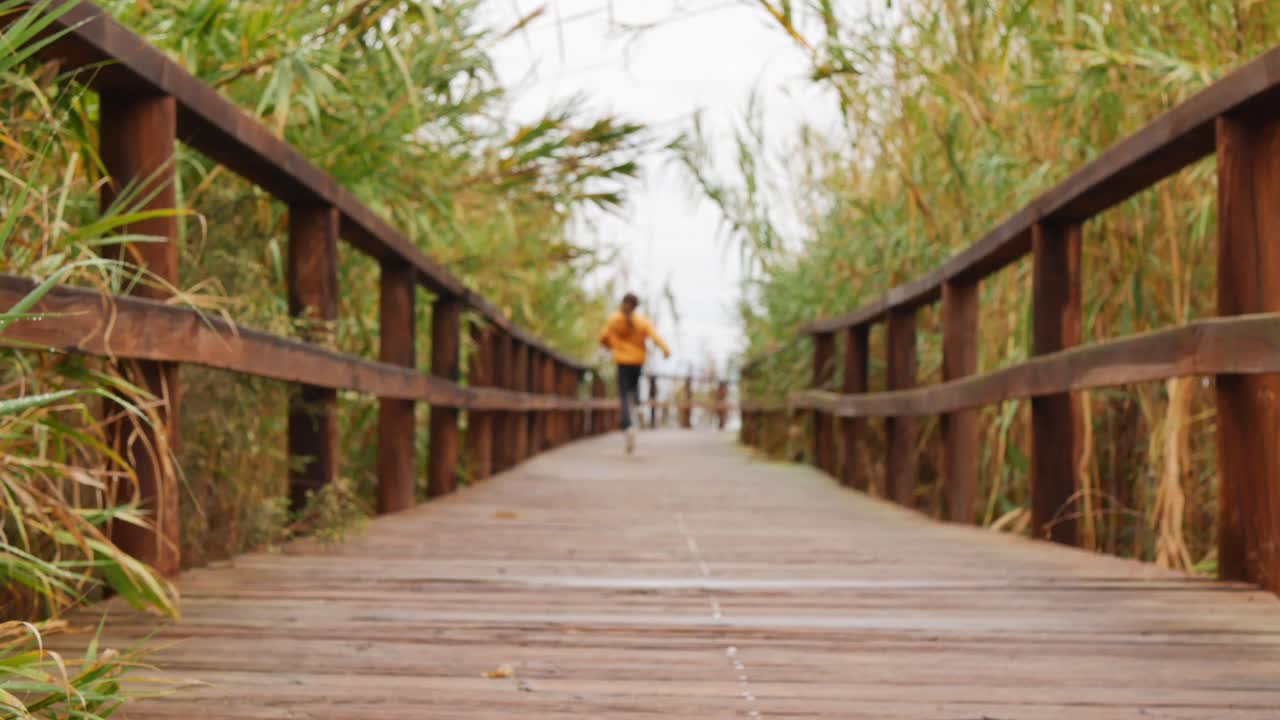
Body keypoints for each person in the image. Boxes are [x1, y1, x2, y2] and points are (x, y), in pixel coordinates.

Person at [599, 293, 670, 454]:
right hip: (637, 360)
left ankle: (628, 425)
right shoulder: (641, 321)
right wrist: (666, 350)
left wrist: (612, 346)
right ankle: (637, 405)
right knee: (634, 385)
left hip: (622, 360)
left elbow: (602, 338)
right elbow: (655, 336)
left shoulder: (614, 320)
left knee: (623, 393)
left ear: (623, 303)